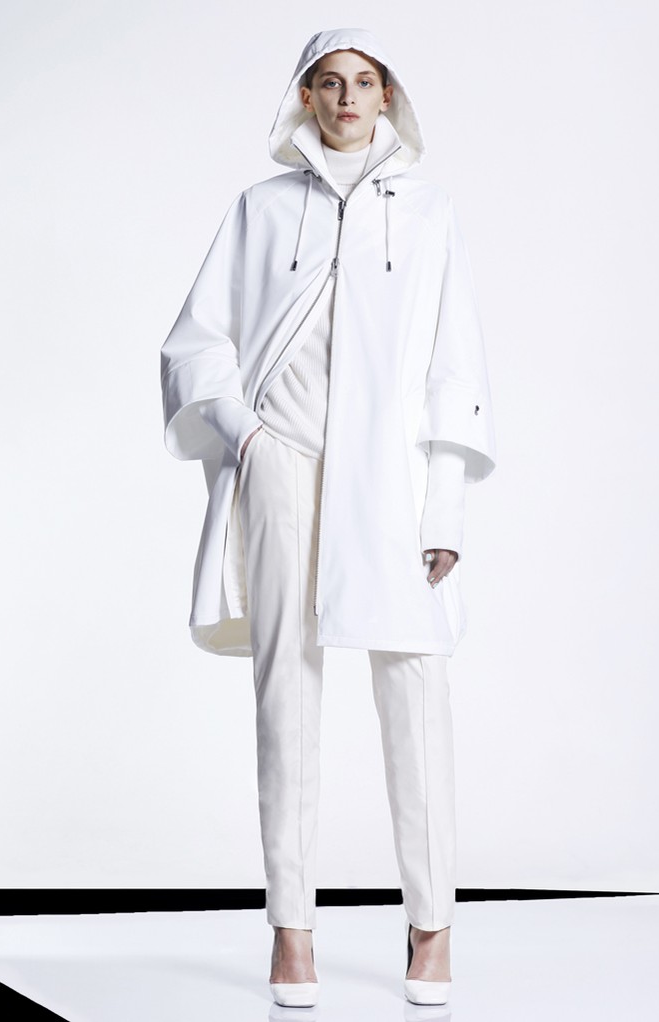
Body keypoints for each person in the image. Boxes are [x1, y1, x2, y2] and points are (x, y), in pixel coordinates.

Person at [160, 26, 495, 1008]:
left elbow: (455, 365)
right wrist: (245, 437)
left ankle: (431, 925)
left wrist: (443, 502)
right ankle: (291, 933)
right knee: (285, 698)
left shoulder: (427, 213)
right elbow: (196, 342)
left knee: (416, 695)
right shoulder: (261, 209)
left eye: (364, 81)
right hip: (285, 466)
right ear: (305, 97)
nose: (347, 97)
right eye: (329, 82)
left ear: (388, 97)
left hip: (391, 478)